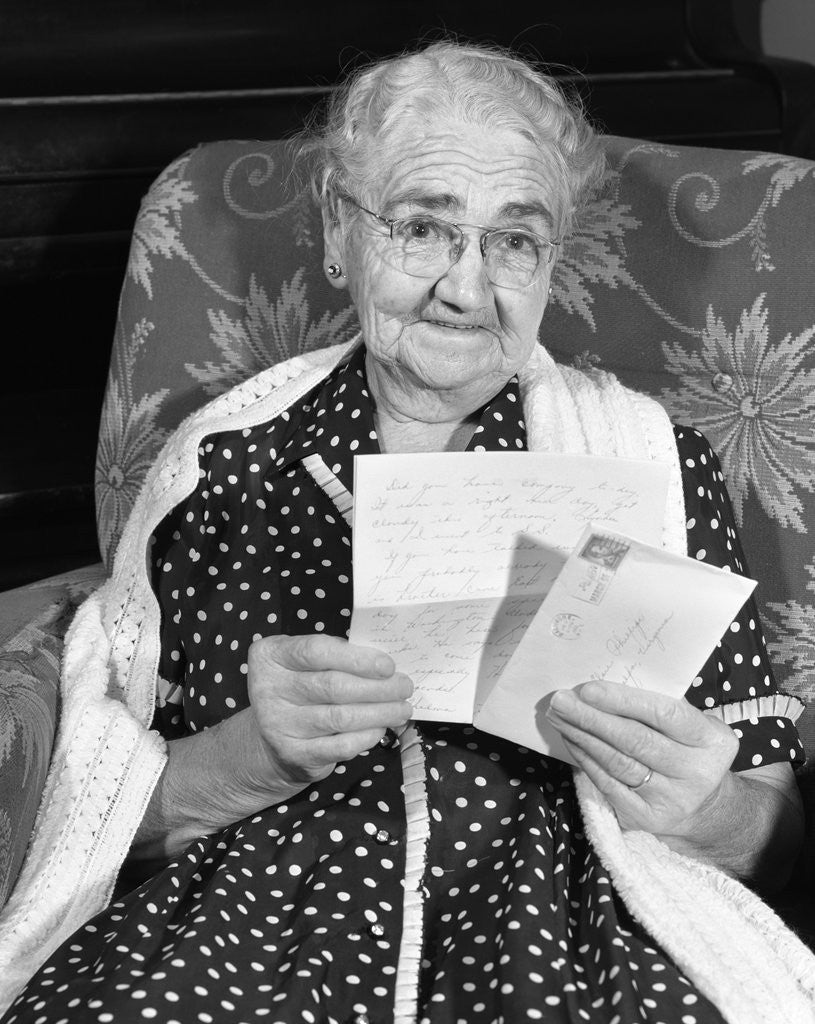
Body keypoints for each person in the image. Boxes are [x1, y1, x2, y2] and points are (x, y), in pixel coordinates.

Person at [1, 39, 812, 1024]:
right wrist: (250, 756)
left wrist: (703, 810)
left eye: (514, 240)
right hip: (255, 928)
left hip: (569, 920)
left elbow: (767, 822)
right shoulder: (223, 463)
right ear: (341, 235)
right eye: (423, 227)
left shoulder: (647, 460)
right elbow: (107, 810)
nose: (467, 289)